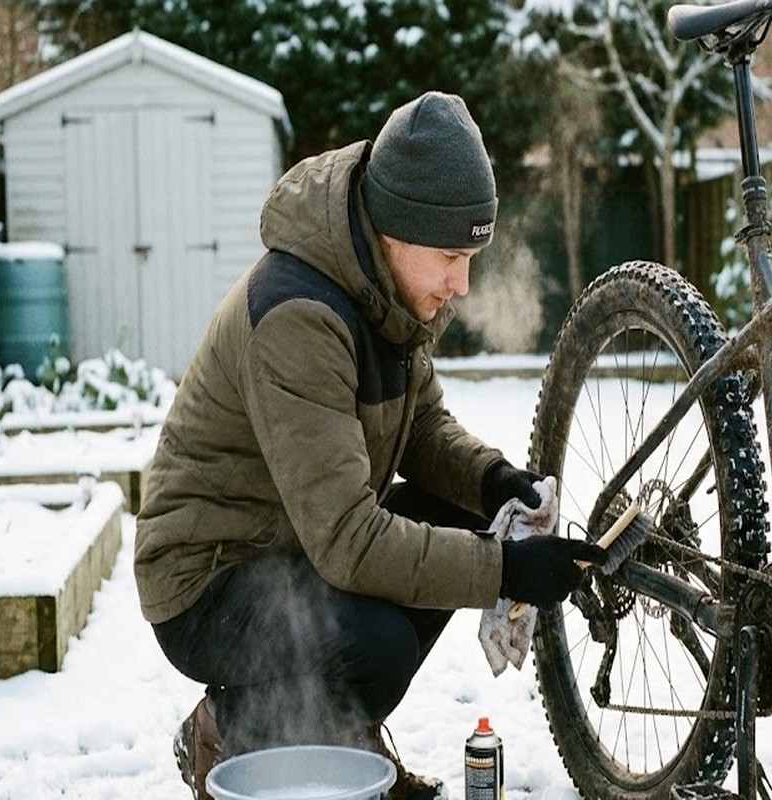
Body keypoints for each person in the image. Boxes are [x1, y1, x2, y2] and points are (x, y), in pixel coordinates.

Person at [133, 90, 606, 800]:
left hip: (292, 543)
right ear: (396, 230)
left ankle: (333, 737)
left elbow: (420, 429)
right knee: (374, 648)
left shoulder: (385, 287)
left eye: (472, 256)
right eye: (451, 255)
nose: (462, 284)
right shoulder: (300, 314)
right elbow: (351, 541)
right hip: (209, 579)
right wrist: (506, 570)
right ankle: (227, 728)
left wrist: (493, 481)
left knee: (455, 516)